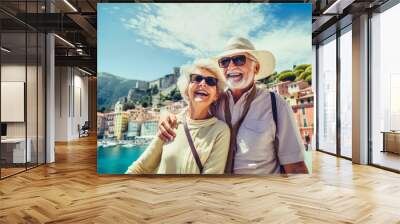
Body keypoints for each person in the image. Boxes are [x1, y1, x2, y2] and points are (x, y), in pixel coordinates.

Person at [158, 37, 309, 174]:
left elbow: (295, 167)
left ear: (256, 68)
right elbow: (188, 115)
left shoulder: (277, 105)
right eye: (224, 62)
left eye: (239, 60)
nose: (230, 66)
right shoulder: (214, 99)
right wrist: (166, 117)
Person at [126, 58, 230, 174]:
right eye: (197, 78)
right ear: (186, 90)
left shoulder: (220, 131)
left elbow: (209, 186)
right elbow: (140, 168)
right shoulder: (171, 123)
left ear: (216, 95)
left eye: (211, 81)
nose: (203, 83)